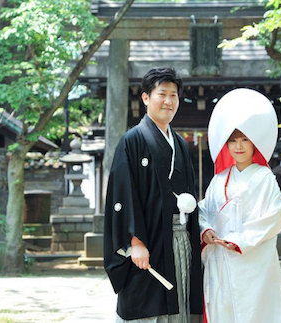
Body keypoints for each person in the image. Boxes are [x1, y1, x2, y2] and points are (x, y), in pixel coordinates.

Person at [104, 67, 203, 323]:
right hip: (148, 240)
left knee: (178, 303)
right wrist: (135, 242)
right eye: (162, 94)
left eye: (174, 95)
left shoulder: (179, 143)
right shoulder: (133, 140)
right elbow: (123, 194)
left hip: (180, 241)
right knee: (146, 303)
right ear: (146, 98)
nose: (169, 101)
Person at [198, 88, 281, 323]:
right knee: (223, 310)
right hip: (220, 259)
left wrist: (241, 240)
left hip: (252, 260)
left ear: (254, 143)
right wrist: (205, 229)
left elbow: (273, 217)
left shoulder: (264, 177)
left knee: (254, 312)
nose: (238, 146)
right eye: (233, 140)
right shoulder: (219, 179)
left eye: (244, 140)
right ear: (226, 145)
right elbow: (205, 210)